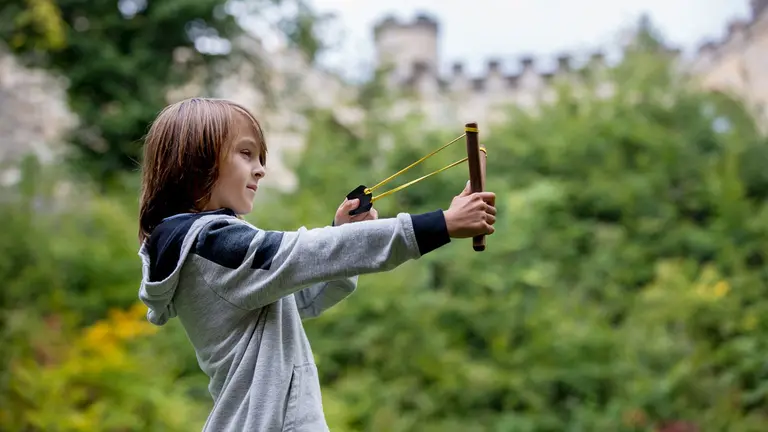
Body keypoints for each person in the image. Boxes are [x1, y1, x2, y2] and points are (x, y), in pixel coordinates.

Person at [137, 97, 497, 431]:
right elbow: (305, 252)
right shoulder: (210, 245)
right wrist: (442, 224)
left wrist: (341, 234)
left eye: (261, 157)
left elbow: (305, 297)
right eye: (246, 154)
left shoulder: (214, 252)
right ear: (195, 161)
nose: (260, 169)